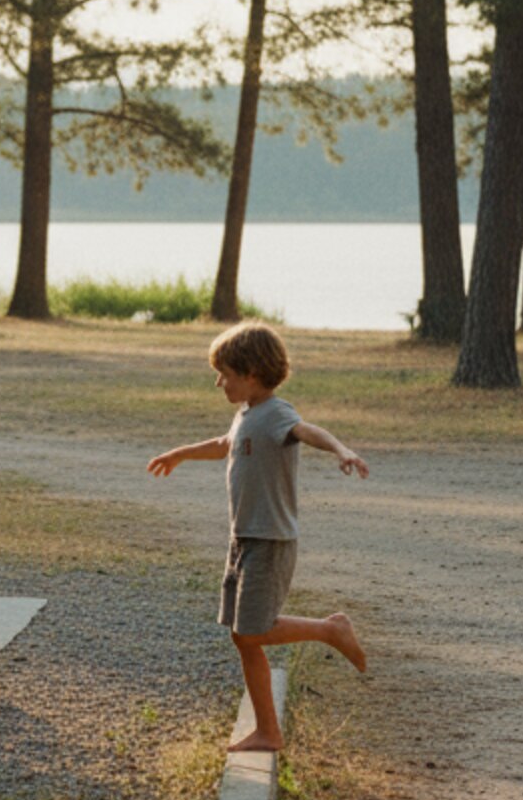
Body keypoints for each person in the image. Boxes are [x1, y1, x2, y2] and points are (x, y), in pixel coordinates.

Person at [147, 319, 369, 754]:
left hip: (269, 540)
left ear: (250, 374)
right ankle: (268, 732)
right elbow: (225, 443)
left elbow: (308, 431)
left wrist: (342, 450)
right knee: (241, 635)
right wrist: (181, 454)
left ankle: (331, 630)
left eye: (224, 374)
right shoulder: (246, 414)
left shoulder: (276, 413)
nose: (218, 382)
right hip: (243, 538)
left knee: (254, 631)